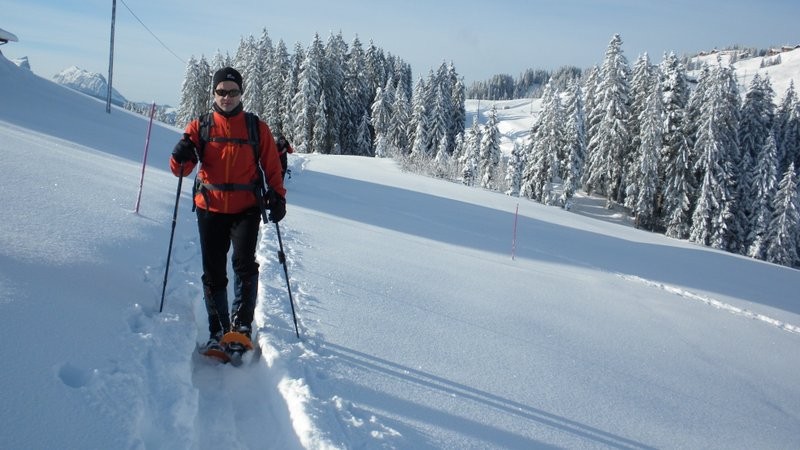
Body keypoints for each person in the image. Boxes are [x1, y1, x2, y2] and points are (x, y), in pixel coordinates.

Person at [169, 67, 286, 353]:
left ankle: (241, 327)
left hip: (246, 209)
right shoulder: (200, 127)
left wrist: (278, 196)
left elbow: (272, 166)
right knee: (213, 271)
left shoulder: (256, 128)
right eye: (221, 91)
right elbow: (182, 170)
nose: (227, 97)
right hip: (209, 208)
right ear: (214, 93)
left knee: (245, 265)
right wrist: (179, 154)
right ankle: (218, 329)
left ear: (241, 93)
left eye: (232, 92)